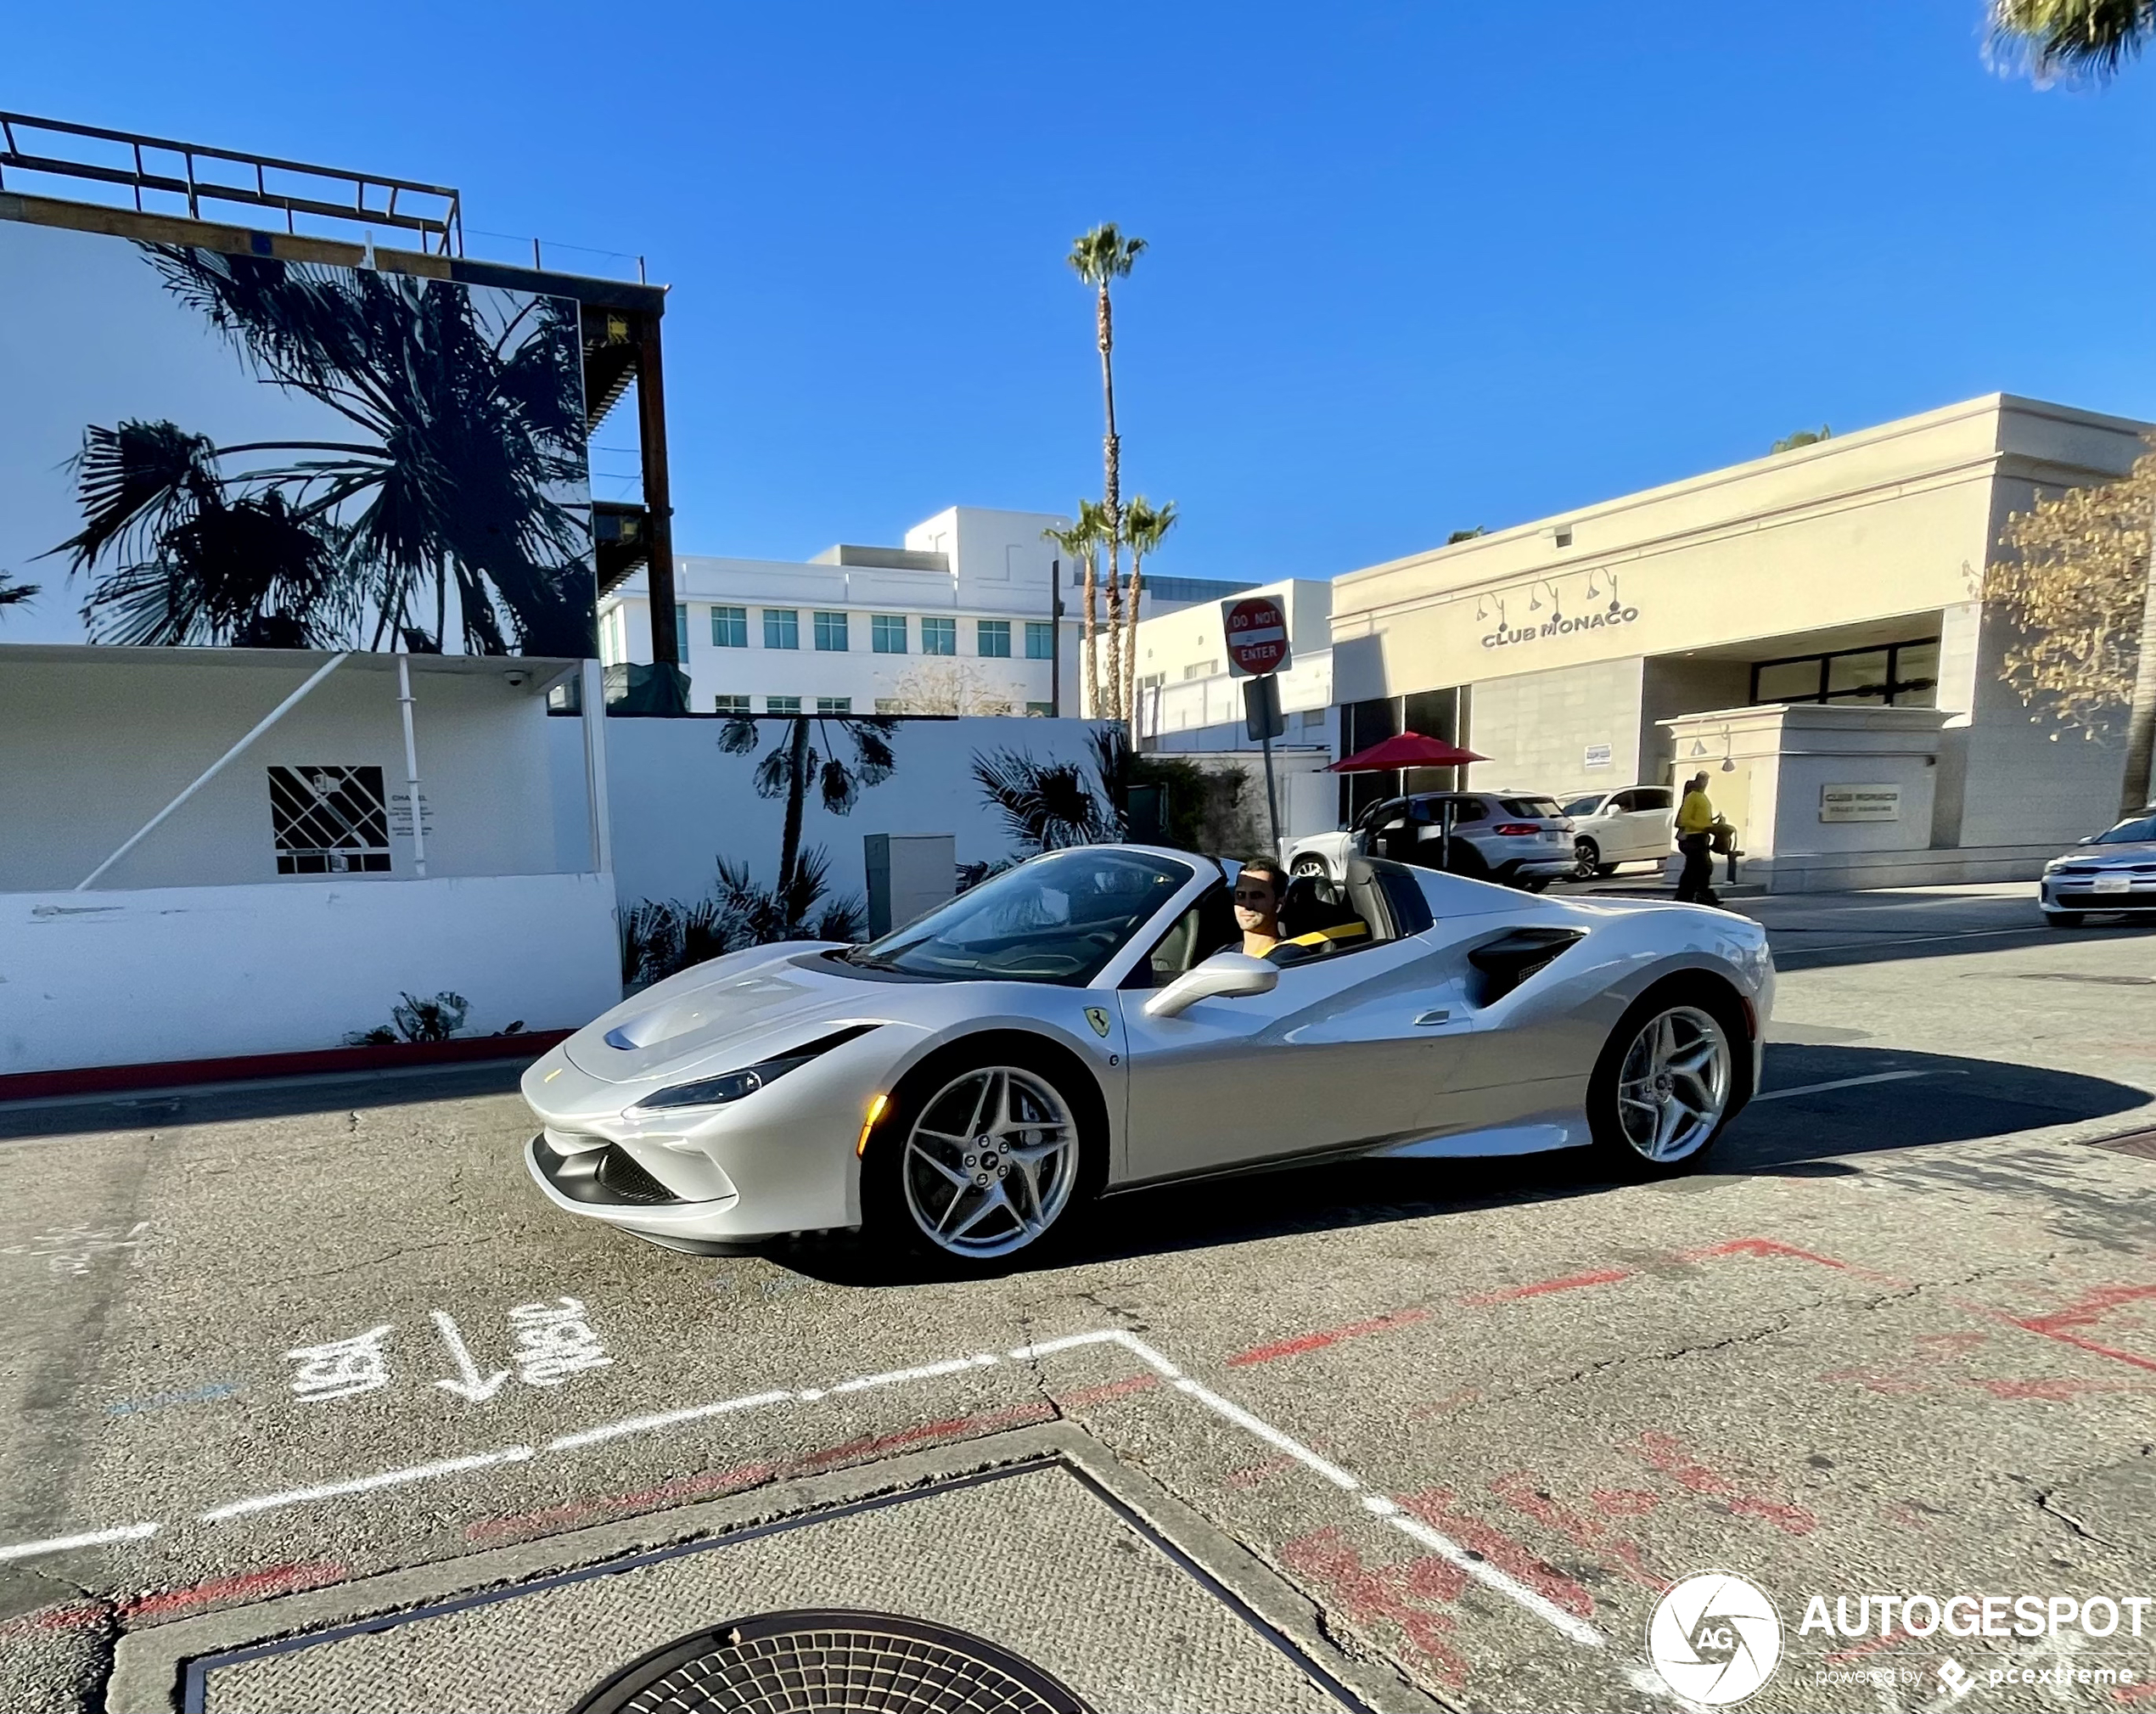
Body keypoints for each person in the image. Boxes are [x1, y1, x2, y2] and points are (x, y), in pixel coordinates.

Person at [1674, 772, 1719, 905]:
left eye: (1706, 780)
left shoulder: (1702, 797)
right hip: (1693, 837)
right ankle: (1695, 895)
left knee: (1698, 867)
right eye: (1703, 780)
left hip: (1702, 836)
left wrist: (1713, 823)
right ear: (1697, 781)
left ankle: (1691, 895)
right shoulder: (1692, 797)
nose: (1705, 783)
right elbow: (1685, 819)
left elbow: (1702, 818)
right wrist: (1704, 827)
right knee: (1700, 867)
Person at [1232, 858, 1289, 957]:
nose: (1247, 905)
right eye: (1241, 895)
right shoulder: (1225, 954)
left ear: (1279, 903)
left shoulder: (1291, 957)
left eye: (1257, 896)